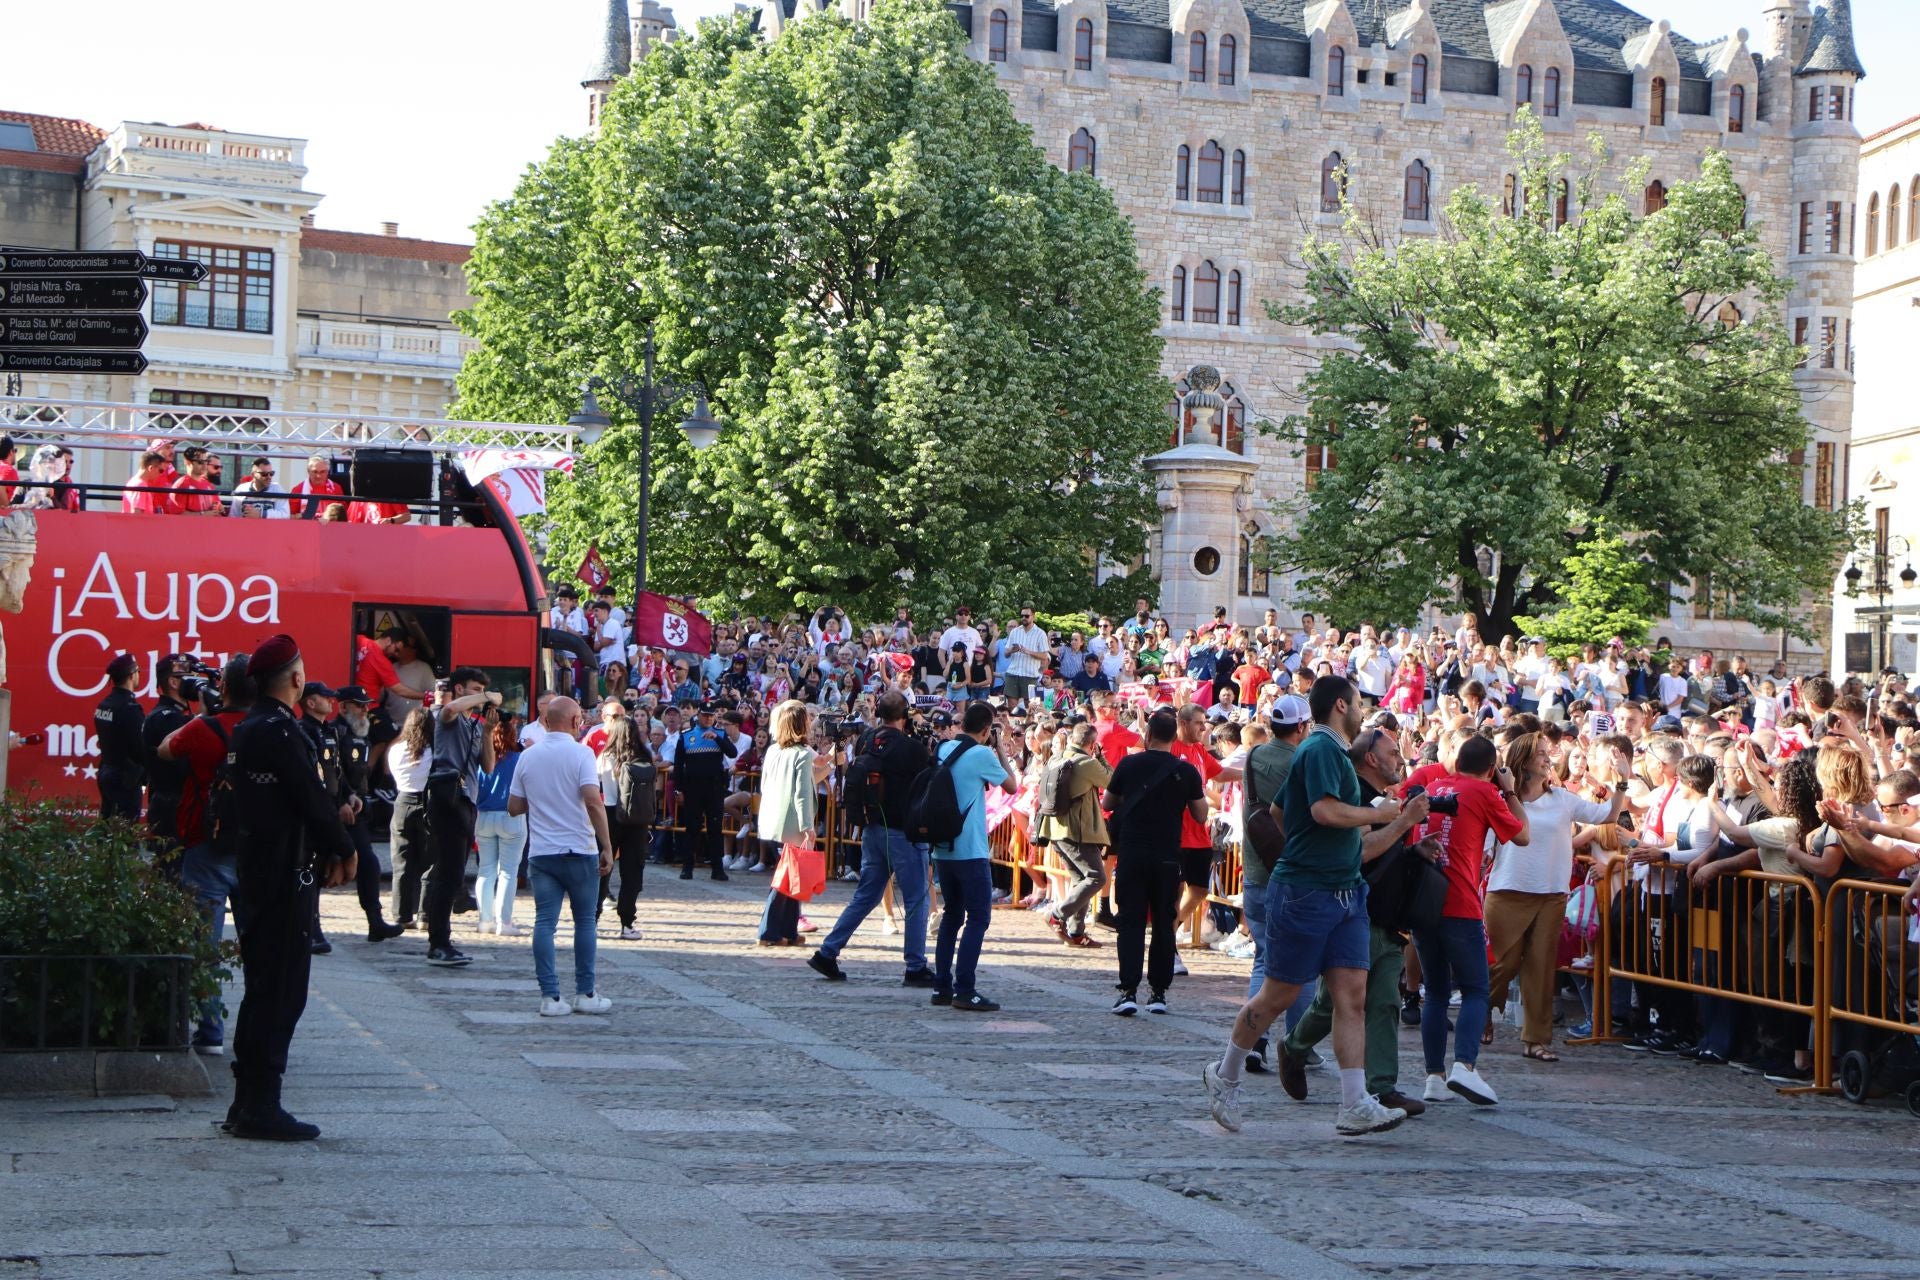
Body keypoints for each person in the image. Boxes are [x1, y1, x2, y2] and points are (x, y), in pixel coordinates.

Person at [1202, 675, 1412, 1138]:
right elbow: (1322, 811)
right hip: (1307, 891)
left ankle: (1354, 1103)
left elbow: (1283, 812)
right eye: (1358, 702)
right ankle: (1226, 1072)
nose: (1363, 709)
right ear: (1341, 705)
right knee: (1279, 995)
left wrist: (1349, 834)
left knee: (1351, 997)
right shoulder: (1320, 749)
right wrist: (1380, 814)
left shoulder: (1326, 752)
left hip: (1345, 890)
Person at [223, 633, 355, 1141]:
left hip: (263, 869)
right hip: (282, 873)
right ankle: (261, 1104)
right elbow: (311, 797)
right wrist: (343, 847)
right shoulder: (279, 731)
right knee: (280, 991)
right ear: (297, 679)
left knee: (263, 987)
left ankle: (246, 1101)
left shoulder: (251, 726)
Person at [1275, 723, 1433, 1116]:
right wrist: (1404, 823)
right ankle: (1293, 1047)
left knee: (1384, 1002)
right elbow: (1359, 852)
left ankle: (1382, 1087)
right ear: (1372, 759)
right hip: (1353, 911)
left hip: (1388, 916)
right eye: (1393, 753)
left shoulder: (1383, 801)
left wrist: (1413, 851)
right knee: (1336, 1003)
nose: (1400, 759)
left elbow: (1384, 851)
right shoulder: (1354, 797)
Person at [1485, 732, 1623, 1063]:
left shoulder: (1563, 799)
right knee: (1503, 964)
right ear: (1523, 761)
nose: (1548, 759)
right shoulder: (1501, 799)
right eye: (1541, 754)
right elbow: (1487, 844)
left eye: (1548, 753)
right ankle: (1482, 1013)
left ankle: (1536, 1040)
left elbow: (1608, 815)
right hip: (1507, 890)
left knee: (1541, 968)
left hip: (1551, 893)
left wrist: (1622, 783)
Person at [157, 656, 255, 1056]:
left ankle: (211, 1030)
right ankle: (256, 1031)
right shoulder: (271, 729)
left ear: (224, 689)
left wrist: (202, 713)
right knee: (259, 947)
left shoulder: (204, 728)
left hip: (205, 843)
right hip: (256, 850)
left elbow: (165, 749)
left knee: (204, 945)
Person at [807, 690, 937, 984]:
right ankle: (915, 965)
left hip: (872, 827)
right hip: (902, 832)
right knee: (916, 899)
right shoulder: (912, 748)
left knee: (866, 895)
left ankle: (827, 952)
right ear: (905, 716)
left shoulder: (867, 739)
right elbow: (930, 777)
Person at [508, 697, 615, 1017]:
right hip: (579, 848)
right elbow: (593, 800)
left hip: (543, 852)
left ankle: (550, 997)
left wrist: (543, 798)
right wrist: (607, 845)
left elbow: (514, 807)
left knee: (545, 922)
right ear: (574, 722)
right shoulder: (582, 753)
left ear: (546, 721)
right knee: (585, 921)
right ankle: (585, 993)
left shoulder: (528, 756)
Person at [1106, 709, 1207, 1016]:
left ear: (1148, 735)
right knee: (1164, 922)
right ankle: (1158, 993)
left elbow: (1108, 802)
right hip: (1168, 855)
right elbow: (1200, 814)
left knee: (1131, 921)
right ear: (1174, 737)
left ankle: (1128, 991)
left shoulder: (1129, 764)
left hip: (1133, 852)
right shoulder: (1185, 770)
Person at [1236, 693, 1310, 1072]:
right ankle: (1297, 1044)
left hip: (1256, 868)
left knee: (1263, 959)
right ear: (1302, 727)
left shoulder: (1253, 756)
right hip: (1293, 873)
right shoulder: (1302, 761)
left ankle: (1253, 1041)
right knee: (1302, 963)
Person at [929, 700, 1018, 1011]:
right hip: (970, 849)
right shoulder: (981, 754)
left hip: (943, 847)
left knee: (952, 915)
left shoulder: (943, 748)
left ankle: (941, 986)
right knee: (978, 917)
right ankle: (964, 988)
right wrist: (1000, 748)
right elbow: (1011, 786)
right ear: (986, 729)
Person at [422, 669, 501, 966]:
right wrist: (486, 697)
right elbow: (451, 708)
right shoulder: (448, 716)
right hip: (448, 798)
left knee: (453, 872)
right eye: (475, 689)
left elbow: (488, 767)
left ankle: (440, 940)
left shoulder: (474, 724)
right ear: (459, 689)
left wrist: (489, 732)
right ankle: (438, 942)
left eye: (482, 690)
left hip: (467, 800)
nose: (481, 695)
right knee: (449, 873)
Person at [757, 700, 835, 945]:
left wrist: (833, 759)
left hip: (774, 820)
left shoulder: (774, 750)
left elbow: (767, 784)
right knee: (784, 880)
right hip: (793, 825)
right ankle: (768, 932)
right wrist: (807, 826)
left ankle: (789, 930)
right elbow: (802, 793)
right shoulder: (800, 754)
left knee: (792, 876)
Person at [332, 686, 406, 943]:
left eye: (366, 705)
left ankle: (375, 921)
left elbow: (389, 738)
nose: (365, 710)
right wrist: (342, 800)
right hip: (335, 809)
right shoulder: (334, 732)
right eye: (359, 705)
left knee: (369, 864)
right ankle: (312, 927)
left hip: (358, 809)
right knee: (321, 866)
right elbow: (331, 774)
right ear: (343, 707)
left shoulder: (363, 732)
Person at [1039, 721, 1113, 948]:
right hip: (1078, 830)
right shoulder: (1087, 762)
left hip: (1054, 828)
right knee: (1096, 877)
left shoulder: (1057, 757)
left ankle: (1076, 933)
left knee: (1081, 879)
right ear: (1092, 744)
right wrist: (1101, 758)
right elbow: (1111, 781)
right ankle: (1057, 914)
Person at [295, 681, 353, 956]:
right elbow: (311, 778)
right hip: (315, 814)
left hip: (332, 808)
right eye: (325, 697)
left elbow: (335, 772)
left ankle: (312, 928)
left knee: (321, 871)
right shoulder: (301, 731)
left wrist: (348, 796)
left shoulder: (331, 731)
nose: (331, 701)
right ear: (310, 702)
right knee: (310, 872)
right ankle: (309, 930)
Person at [595, 717, 652, 940]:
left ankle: (593, 919)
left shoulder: (605, 757)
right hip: (637, 817)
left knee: (602, 869)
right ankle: (627, 923)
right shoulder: (644, 756)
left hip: (609, 814)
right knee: (632, 872)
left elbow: (596, 785)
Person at [141, 654, 199, 868]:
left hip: (171, 803)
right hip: (172, 805)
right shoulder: (167, 718)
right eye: (192, 678)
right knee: (172, 872)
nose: (197, 684)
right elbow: (184, 765)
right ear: (174, 682)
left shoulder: (173, 716)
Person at [671, 702, 737, 881]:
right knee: (692, 828)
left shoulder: (720, 734)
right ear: (698, 715)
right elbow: (678, 766)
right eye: (705, 715)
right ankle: (687, 867)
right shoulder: (686, 735)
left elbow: (732, 753)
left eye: (711, 715)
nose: (708, 718)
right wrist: (678, 790)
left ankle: (717, 869)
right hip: (693, 788)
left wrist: (717, 738)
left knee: (715, 829)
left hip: (714, 788)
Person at [386, 707, 433, 929]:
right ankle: (425, 915)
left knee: (401, 862)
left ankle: (401, 915)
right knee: (429, 861)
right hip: (426, 801)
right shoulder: (433, 752)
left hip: (402, 801)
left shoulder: (396, 750)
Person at [94, 652, 146, 821]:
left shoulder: (104, 705)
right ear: (131, 675)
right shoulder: (129, 708)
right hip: (125, 777)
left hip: (106, 770)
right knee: (125, 828)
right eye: (138, 672)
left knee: (108, 824)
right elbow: (140, 747)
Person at [1003, 605, 1050, 704]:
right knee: (1011, 704)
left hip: (1030, 674)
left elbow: (1044, 656)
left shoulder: (1040, 634)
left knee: (1030, 705)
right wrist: (1012, 650)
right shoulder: (1015, 632)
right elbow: (1005, 654)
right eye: (1022, 616)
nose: (1024, 618)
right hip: (1013, 673)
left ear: (1033, 616)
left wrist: (1028, 651)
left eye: (1027, 616)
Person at [121, 450, 170, 515]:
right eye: (160, 471)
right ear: (151, 468)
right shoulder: (141, 485)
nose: (161, 474)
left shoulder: (132, 482)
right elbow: (137, 513)